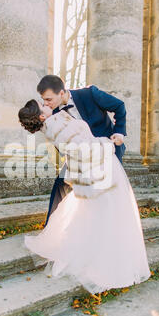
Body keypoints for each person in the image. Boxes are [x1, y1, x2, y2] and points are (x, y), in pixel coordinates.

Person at [18, 99, 151, 294]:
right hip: (99, 170)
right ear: (41, 116)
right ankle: (107, 261)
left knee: (98, 213)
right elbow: (85, 150)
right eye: (43, 105)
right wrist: (109, 142)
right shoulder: (58, 125)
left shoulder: (55, 123)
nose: (47, 104)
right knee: (111, 212)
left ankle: (102, 253)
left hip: (92, 172)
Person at [36, 75, 127, 227]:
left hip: (107, 150)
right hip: (79, 156)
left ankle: (111, 227)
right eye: (44, 100)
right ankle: (51, 228)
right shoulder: (54, 113)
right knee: (60, 185)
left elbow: (119, 106)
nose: (46, 103)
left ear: (62, 92)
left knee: (108, 193)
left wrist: (119, 132)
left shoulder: (89, 94)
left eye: (49, 99)